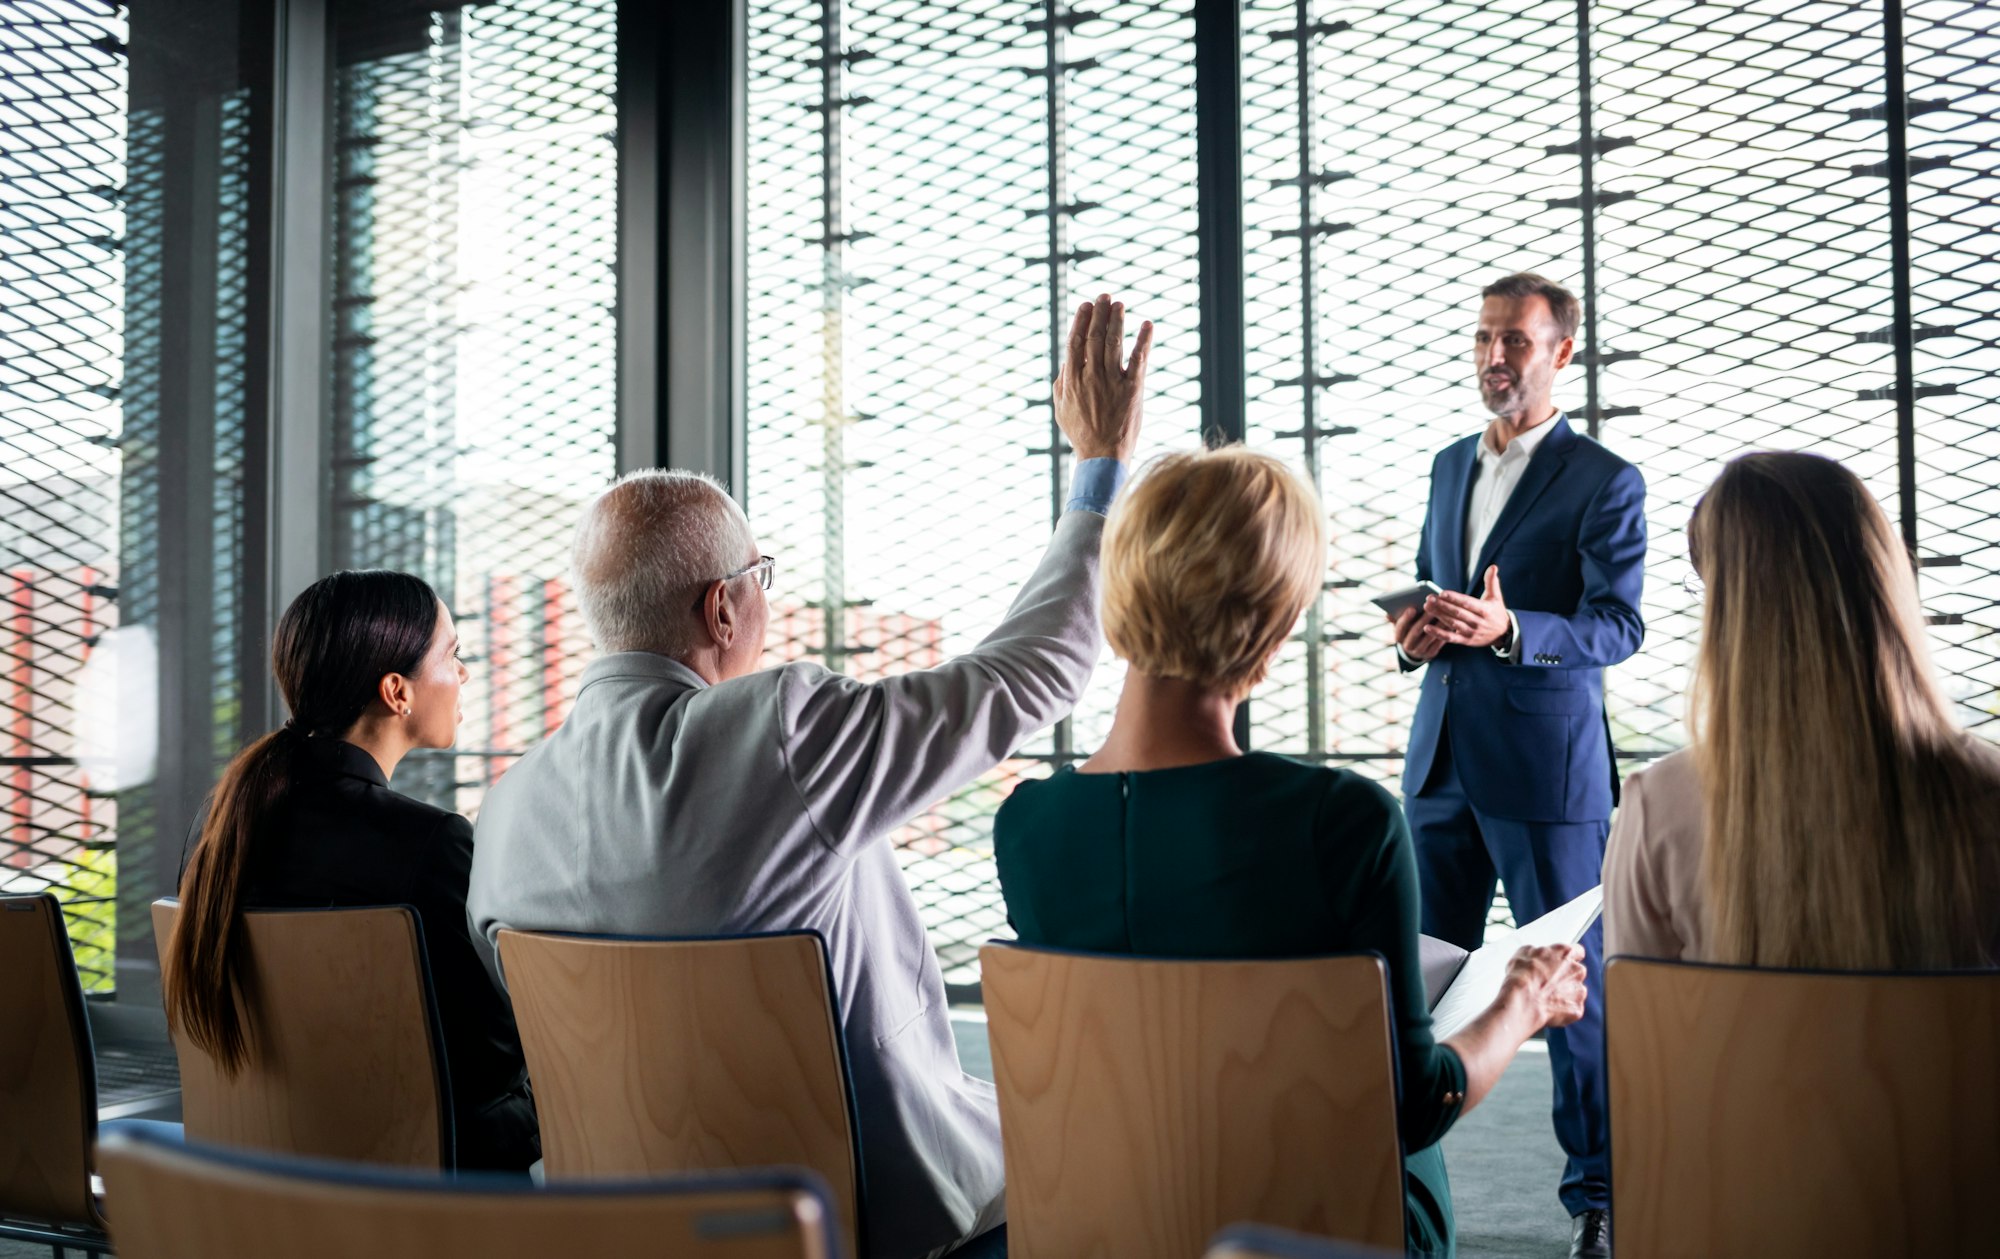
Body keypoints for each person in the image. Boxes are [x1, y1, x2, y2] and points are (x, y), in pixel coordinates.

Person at [467, 295, 1153, 1259]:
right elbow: (1034, 671)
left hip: (615, 1228)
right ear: (721, 611)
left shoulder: (502, 818)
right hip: (873, 1225)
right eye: (762, 575)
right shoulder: (782, 733)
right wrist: (1099, 467)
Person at [995, 447, 1589, 1258]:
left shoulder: (1027, 824)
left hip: (1112, 1224)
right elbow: (1417, 1105)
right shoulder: (1342, 820)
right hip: (1325, 1231)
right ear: (1274, 623)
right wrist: (1524, 999)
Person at [1386, 272, 1645, 1258]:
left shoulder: (1603, 479)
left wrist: (1508, 631)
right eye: (1484, 338)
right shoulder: (1448, 463)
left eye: (1516, 342)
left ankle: (1600, 1202)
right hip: (1439, 762)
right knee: (1414, 988)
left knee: (1569, 996)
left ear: (1560, 354)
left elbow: (1616, 627)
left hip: (1546, 776)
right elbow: (1432, 599)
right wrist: (1415, 637)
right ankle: (1396, 1182)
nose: (1495, 357)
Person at [164, 570, 539, 1172]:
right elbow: (487, 1065)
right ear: (398, 691)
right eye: (454, 655)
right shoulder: (432, 842)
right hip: (417, 1201)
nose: (464, 674)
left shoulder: (222, 827)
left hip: (257, 1186)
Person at [1604, 450, 2000, 968]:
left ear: (1731, 613)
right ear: (1884, 581)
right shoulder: (1988, 788)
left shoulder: (1657, 807)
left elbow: (1642, 1035)